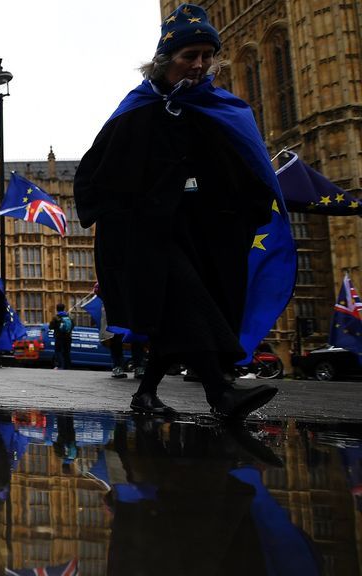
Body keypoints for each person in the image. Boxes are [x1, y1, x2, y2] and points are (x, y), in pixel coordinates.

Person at [73, 3, 280, 418]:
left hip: (202, 230)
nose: (200, 65)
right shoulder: (138, 108)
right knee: (184, 295)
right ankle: (220, 393)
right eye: (190, 56)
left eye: (207, 56)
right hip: (146, 231)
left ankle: (145, 392)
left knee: (180, 308)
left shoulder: (219, 109)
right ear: (166, 59)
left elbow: (244, 170)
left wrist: (249, 208)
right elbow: (97, 171)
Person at [48, 303, 73, 369]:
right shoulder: (69, 317)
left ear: (57, 309)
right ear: (64, 308)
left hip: (59, 337)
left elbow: (50, 327)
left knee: (58, 351)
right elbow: (73, 326)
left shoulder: (56, 317)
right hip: (68, 337)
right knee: (67, 352)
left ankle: (58, 365)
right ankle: (67, 366)